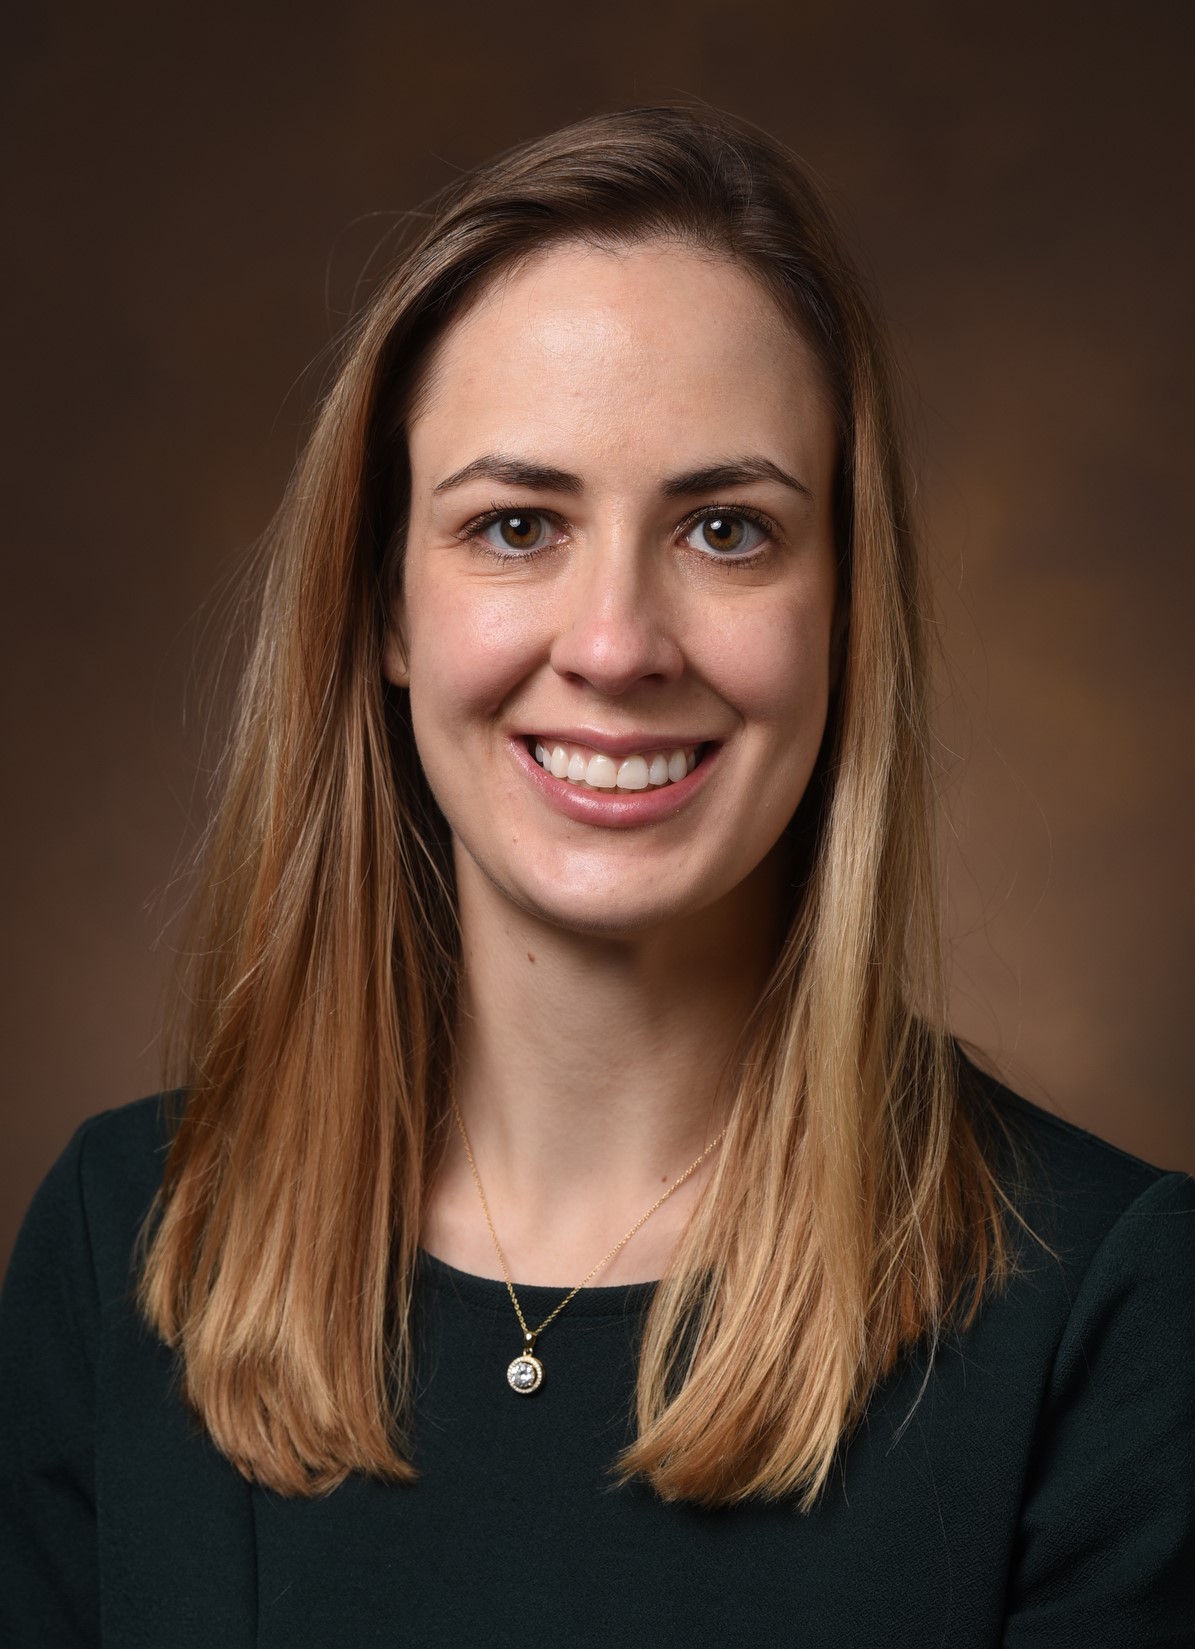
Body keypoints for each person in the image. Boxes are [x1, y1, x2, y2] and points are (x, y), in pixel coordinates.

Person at [1, 105, 1192, 1647]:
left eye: (724, 527)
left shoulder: (1109, 1311)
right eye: (515, 524)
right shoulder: (125, 1243)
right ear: (385, 610)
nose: (619, 641)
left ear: (844, 613)